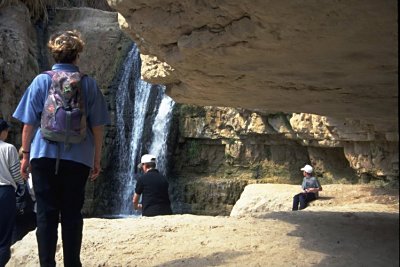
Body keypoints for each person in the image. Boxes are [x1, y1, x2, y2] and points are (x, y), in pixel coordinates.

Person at [12, 30, 110, 267]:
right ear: (78, 55)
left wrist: (25, 156)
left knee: (45, 213)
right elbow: (97, 128)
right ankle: (72, 264)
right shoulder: (88, 84)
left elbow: (29, 123)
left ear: (53, 53)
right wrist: (96, 159)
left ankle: (47, 264)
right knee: (72, 214)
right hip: (78, 159)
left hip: (43, 156)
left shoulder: (41, 80)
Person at [0, 119, 25, 266]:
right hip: (4, 192)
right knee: (4, 236)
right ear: (3, 131)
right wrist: (21, 186)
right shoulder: (8, 148)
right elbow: (16, 173)